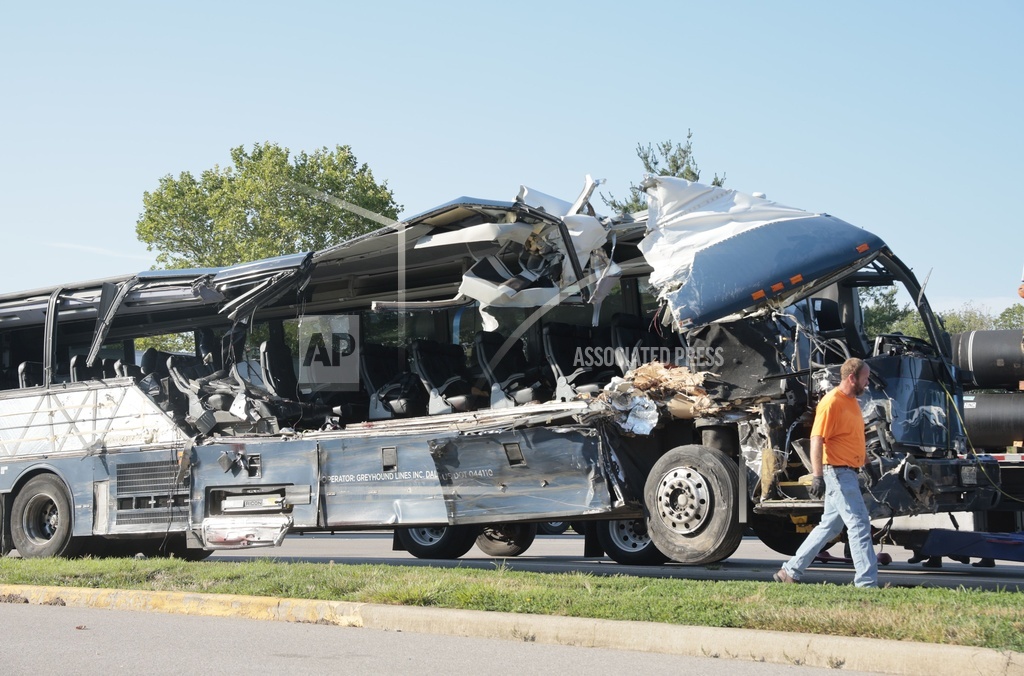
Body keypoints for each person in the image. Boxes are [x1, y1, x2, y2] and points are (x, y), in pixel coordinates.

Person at [774, 357, 879, 588]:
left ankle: (789, 571)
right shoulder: (831, 402)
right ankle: (867, 584)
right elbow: (817, 439)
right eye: (865, 378)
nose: (868, 382)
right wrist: (818, 475)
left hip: (848, 471)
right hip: (838, 473)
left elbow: (854, 439)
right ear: (852, 378)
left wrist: (867, 464)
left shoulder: (852, 403)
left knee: (830, 527)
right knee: (859, 524)